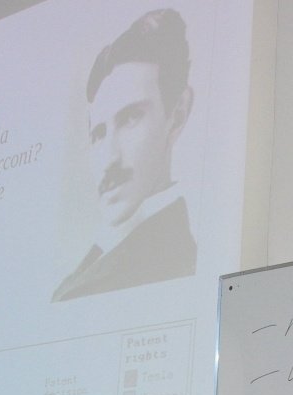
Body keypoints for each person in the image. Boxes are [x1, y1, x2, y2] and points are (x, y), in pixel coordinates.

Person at [53, 8, 197, 302]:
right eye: (98, 134)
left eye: (131, 118)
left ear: (178, 115)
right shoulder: (104, 255)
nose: (109, 160)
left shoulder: (171, 263)